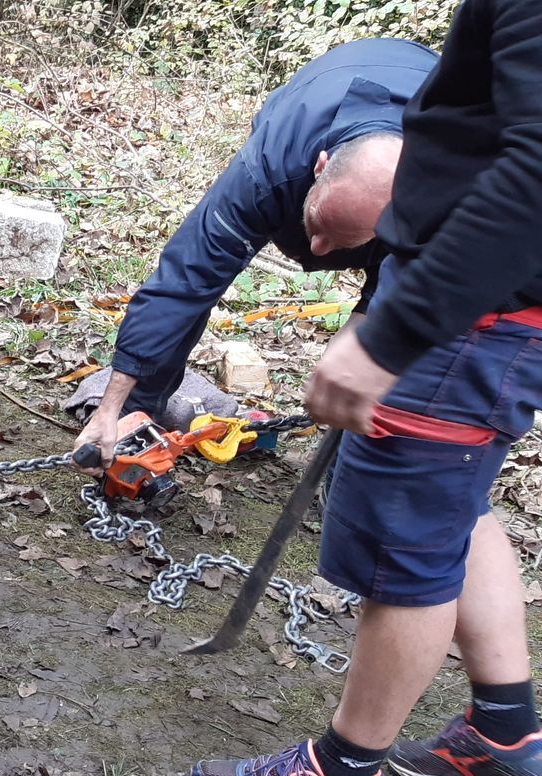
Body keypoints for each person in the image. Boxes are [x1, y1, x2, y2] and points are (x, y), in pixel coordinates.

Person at [188, 0, 542, 776]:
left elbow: (536, 167)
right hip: (495, 303)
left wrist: (393, 331)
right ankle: (505, 730)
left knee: (404, 550)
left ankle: (342, 775)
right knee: (451, 506)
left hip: (477, 308)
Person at [72, 38, 435, 466]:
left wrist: (361, 338)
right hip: (318, 102)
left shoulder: (442, 201)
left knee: (395, 345)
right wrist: (112, 407)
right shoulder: (268, 166)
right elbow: (185, 282)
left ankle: (360, 471)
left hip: (419, 183)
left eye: (340, 241)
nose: (317, 251)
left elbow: (408, 296)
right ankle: (135, 423)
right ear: (320, 167)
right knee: (191, 288)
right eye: (318, 226)